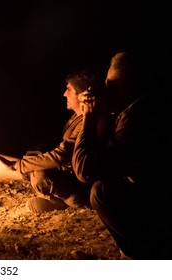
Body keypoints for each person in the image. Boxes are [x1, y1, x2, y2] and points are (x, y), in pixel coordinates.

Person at [73, 51, 172, 259]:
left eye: (110, 85)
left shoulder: (136, 117)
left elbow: (85, 169)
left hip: (157, 199)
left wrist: (89, 118)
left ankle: (143, 258)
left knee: (102, 192)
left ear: (127, 88)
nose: (105, 89)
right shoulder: (142, 106)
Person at [0, 70, 97, 213]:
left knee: (40, 175)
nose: (64, 94)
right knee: (35, 158)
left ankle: (70, 200)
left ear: (82, 96)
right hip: (70, 172)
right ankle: (58, 200)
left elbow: (61, 155)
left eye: (69, 90)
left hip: (80, 182)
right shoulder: (76, 117)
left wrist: (18, 165)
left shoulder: (86, 122)